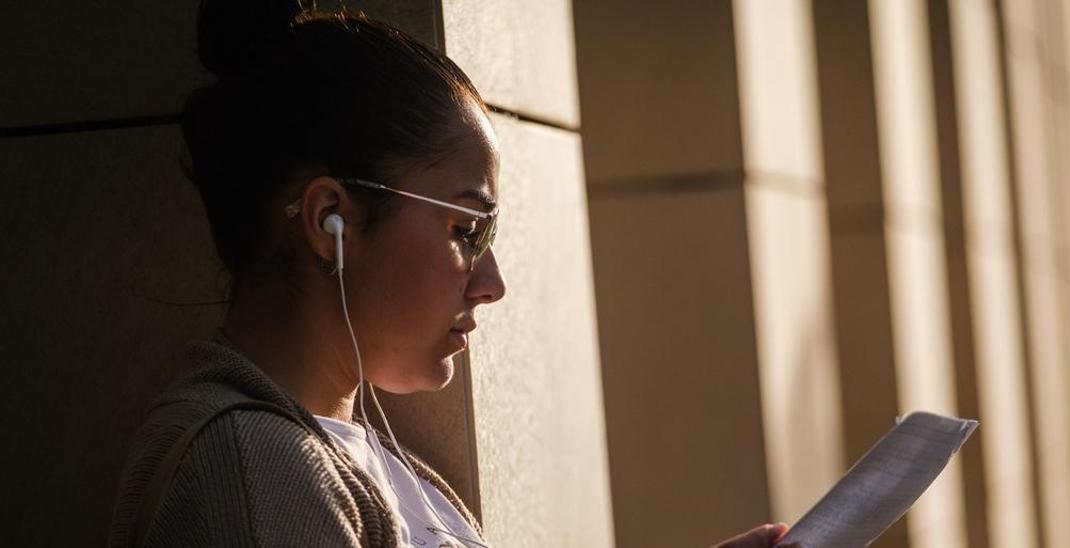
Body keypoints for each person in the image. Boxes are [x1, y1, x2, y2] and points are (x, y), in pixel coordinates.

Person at [109, 1, 790, 546]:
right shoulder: (252, 471)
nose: (492, 282)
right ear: (329, 221)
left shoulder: (347, 456)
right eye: (466, 230)